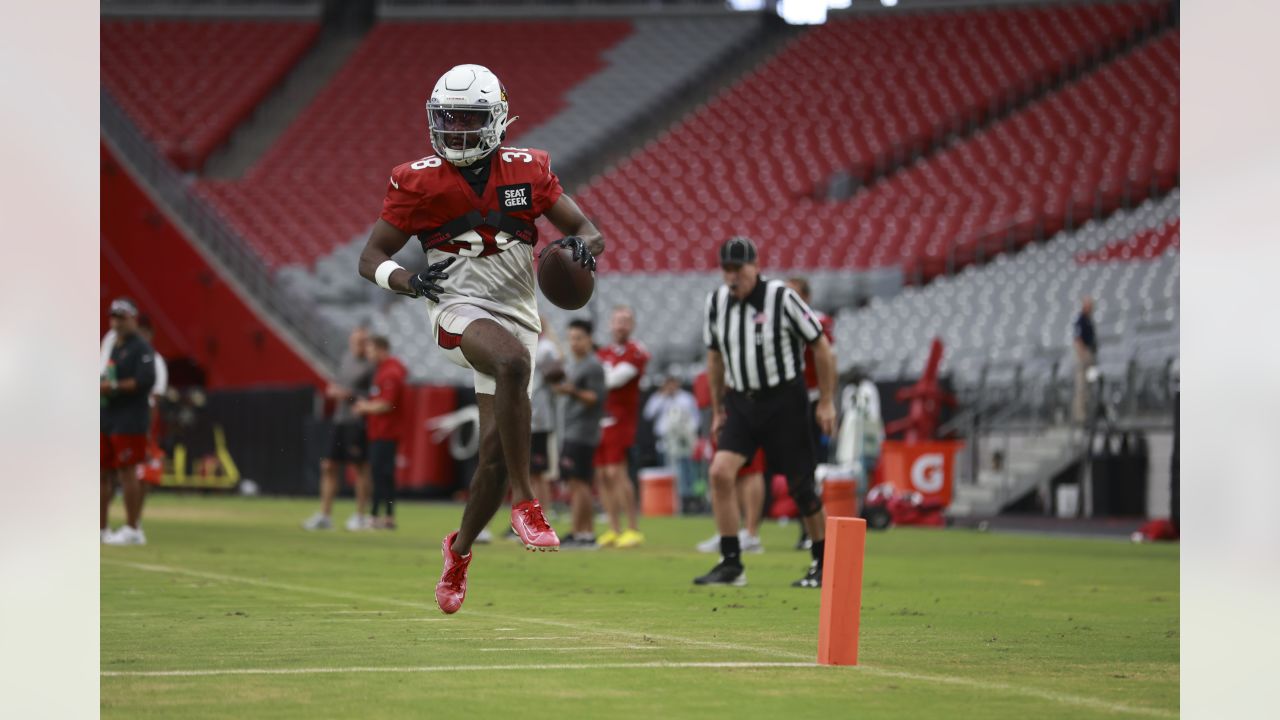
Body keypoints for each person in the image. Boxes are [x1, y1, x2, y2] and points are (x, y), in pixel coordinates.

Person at [356, 64, 602, 614]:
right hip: (456, 305)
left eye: (469, 119)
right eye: (448, 118)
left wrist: (586, 251)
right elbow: (370, 258)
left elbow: (587, 230)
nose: (457, 130)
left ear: (496, 121)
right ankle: (527, 503)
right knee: (511, 363)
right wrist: (407, 280)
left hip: (518, 310)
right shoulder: (416, 180)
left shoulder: (529, 170)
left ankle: (459, 552)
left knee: (493, 453)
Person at [696, 237, 837, 588]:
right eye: (726, 269)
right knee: (720, 473)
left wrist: (826, 400)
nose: (732, 277)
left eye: (738, 269)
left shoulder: (781, 297)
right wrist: (717, 409)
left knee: (801, 485)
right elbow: (715, 358)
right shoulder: (716, 303)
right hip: (742, 402)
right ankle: (731, 562)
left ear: (755, 266)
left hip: (784, 400)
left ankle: (823, 562)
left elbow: (820, 344)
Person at [303, 326, 375, 532]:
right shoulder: (346, 359)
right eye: (354, 341)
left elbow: (373, 394)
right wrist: (334, 390)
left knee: (360, 468)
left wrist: (349, 395)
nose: (357, 346)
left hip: (357, 421)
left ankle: (361, 516)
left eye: (361, 342)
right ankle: (325, 515)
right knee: (328, 465)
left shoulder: (371, 365)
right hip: (339, 419)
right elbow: (338, 382)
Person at [786, 277, 837, 550]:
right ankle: (806, 530)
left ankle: (815, 531)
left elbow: (829, 358)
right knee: (796, 470)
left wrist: (827, 401)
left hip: (813, 399)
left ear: (806, 295)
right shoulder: (778, 320)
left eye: (793, 293)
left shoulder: (818, 321)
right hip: (787, 402)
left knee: (812, 468)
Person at [101, 298, 157, 546]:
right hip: (109, 415)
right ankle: (100, 528)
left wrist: (111, 386)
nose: (117, 322)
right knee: (101, 472)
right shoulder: (113, 345)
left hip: (130, 417)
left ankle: (132, 528)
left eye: (122, 317)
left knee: (127, 472)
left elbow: (145, 381)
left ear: (133, 318)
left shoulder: (141, 348)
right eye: (114, 317)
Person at [594, 306, 650, 548]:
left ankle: (633, 528)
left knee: (618, 472)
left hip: (621, 419)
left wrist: (600, 376)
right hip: (600, 418)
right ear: (610, 324)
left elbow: (612, 380)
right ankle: (614, 529)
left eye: (626, 321)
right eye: (617, 321)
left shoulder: (636, 351)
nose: (621, 326)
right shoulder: (604, 353)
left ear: (633, 325)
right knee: (603, 475)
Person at [554, 319, 607, 549]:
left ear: (589, 339)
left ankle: (582, 533)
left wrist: (571, 391)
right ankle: (583, 532)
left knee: (580, 483)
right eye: (571, 338)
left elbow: (595, 398)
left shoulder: (592, 365)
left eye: (579, 338)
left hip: (583, 432)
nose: (574, 342)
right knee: (577, 482)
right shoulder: (577, 364)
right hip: (574, 430)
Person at [353, 335, 408, 530]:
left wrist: (364, 407)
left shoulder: (390, 372)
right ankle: (386, 516)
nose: (368, 354)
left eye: (370, 350)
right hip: (380, 432)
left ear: (381, 349)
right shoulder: (384, 370)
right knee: (383, 474)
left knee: (380, 474)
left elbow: (386, 404)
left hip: (386, 432)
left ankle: (377, 516)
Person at [642, 374, 699, 513]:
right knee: (668, 469)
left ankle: (688, 499)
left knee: (687, 470)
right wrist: (663, 397)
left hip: (684, 440)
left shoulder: (686, 398)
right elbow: (648, 414)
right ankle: (671, 500)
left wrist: (690, 434)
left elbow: (695, 417)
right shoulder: (658, 398)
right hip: (665, 440)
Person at [1072, 296, 1098, 423]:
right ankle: (1080, 416)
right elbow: (1078, 339)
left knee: (1091, 383)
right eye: (1089, 305)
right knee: (1082, 386)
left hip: (1092, 358)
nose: (1091, 308)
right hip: (1084, 356)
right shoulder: (1081, 320)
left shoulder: (1089, 320)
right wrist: (1083, 356)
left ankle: (1091, 412)